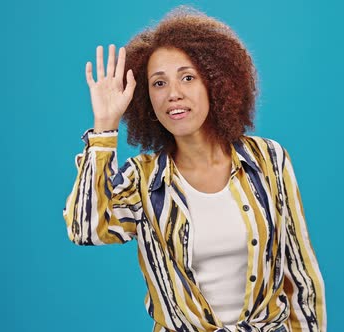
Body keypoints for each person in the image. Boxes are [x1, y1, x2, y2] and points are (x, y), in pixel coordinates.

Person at [63, 6, 326, 332]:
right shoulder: (144, 180)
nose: (173, 94)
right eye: (159, 83)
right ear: (148, 99)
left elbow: (301, 277)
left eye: (187, 77)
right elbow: (87, 229)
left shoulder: (269, 160)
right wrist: (104, 127)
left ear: (216, 83)